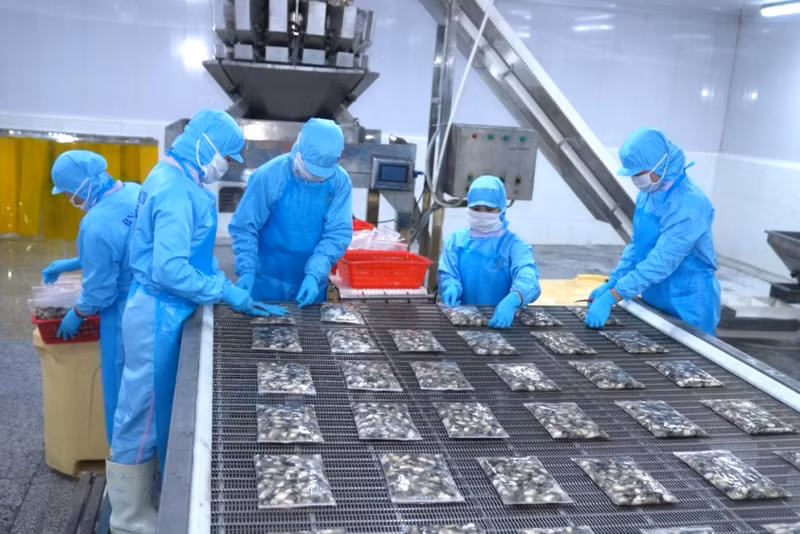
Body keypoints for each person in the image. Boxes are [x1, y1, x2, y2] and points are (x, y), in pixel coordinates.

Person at [108, 109, 285, 533]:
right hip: (158, 312)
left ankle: (147, 499)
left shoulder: (176, 178)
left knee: (149, 408)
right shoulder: (176, 192)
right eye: (224, 156)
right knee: (143, 413)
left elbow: (193, 255)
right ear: (206, 146)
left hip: (166, 308)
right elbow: (170, 268)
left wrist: (220, 281)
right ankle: (130, 519)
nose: (225, 164)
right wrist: (224, 291)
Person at [43, 150, 140, 444]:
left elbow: (100, 290)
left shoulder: (95, 223)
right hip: (149, 296)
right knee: (144, 388)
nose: (70, 198)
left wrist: (79, 313)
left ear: (82, 186)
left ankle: (123, 469)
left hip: (121, 312)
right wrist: (74, 262)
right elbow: (121, 249)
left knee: (120, 391)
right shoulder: (135, 191)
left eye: (69, 192)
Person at [585, 128, 720, 335]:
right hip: (654, 292)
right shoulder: (649, 194)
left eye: (639, 174)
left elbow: (663, 260)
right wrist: (614, 281)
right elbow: (637, 247)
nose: (637, 180)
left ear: (660, 164)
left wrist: (615, 295)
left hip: (687, 299)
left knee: (688, 362)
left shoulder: (690, 204)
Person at [229, 118, 353, 306]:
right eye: (311, 169)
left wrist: (314, 274)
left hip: (310, 284)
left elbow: (337, 233)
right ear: (299, 150)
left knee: (307, 333)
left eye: (320, 174)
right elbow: (245, 227)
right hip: (265, 283)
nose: (314, 177)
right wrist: (247, 270)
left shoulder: (340, 181)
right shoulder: (268, 176)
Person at [438, 175, 541, 328]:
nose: (482, 214)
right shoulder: (456, 241)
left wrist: (514, 298)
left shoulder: (514, 245)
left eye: (489, 209)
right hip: (463, 322)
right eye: (476, 208)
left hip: (502, 321)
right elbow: (449, 274)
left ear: (501, 208)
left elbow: (528, 277)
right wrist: (450, 285)